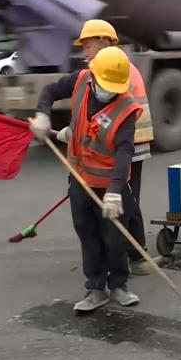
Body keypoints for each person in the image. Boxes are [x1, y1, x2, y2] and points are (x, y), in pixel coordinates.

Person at [31, 46, 143, 313]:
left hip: (110, 185)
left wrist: (115, 191)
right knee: (88, 234)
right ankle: (95, 288)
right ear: (94, 76)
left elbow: (125, 150)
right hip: (80, 179)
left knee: (115, 238)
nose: (109, 92)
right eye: (106, 86)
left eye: (115, 88)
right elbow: (49, 92)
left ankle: (119, 286)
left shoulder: (127, 108)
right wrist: (43, 115)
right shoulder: (81, 79)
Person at [62, 19, 155, 276]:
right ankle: (116, 255)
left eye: (88, 45)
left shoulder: (119, 71)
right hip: (113, 146)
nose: (84, 51)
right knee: (117, 202)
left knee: (127, 201)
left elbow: (112, 117)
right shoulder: (102, 70)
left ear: (104, 42)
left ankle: (137, 255)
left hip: (130, 144)